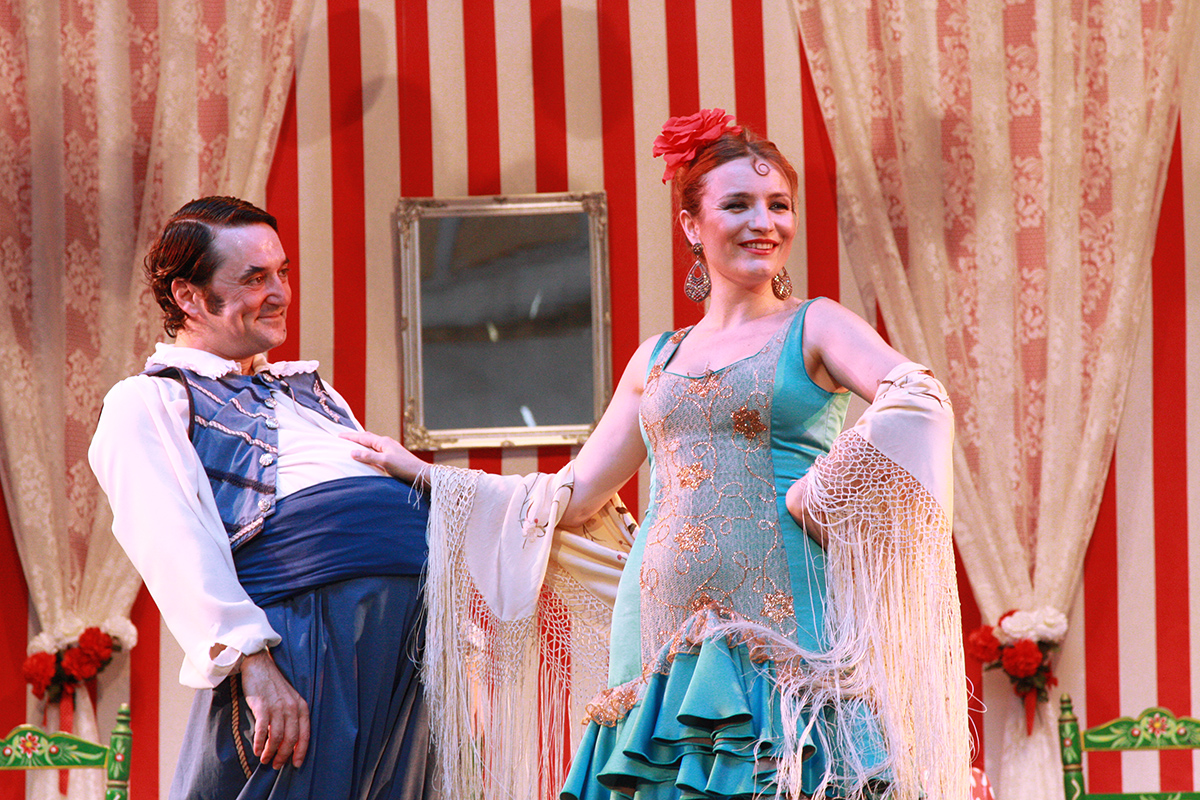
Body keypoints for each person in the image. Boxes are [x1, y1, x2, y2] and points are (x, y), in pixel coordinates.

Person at [348, 110, 968, 800]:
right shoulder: (657, 358)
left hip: (785, 624)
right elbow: (574, 495)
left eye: (779, 205)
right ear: (691, 225)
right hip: (658, 634)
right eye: (738, 204)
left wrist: (824, 489)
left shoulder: (817, 324)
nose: (764, 222)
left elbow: (918, 396)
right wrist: (426, 474)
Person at [89, 196, 433, 799]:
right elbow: (170, 541)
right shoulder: (149, 400)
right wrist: (251, 660)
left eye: (283, 272)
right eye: (253, 278)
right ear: (188, 296)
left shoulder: (311, 392)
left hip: (404, 636)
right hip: (307, 630)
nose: (279, 293)